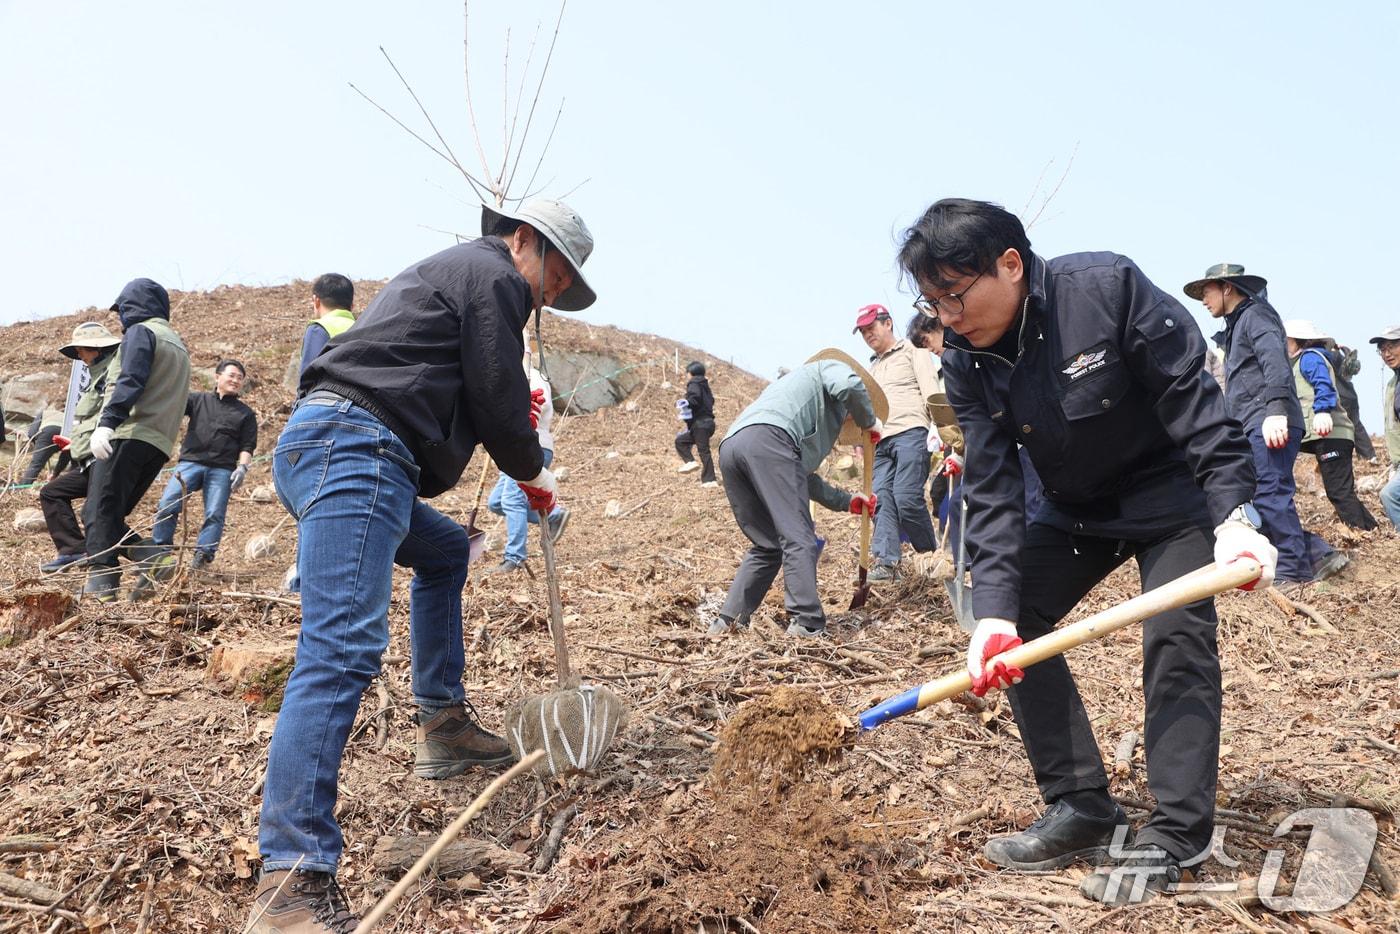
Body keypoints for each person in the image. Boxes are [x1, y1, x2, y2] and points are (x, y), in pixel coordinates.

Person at [898, 199, 1277, 905]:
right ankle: (1080, 805)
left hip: (1174, 503)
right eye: (931, 301)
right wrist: (995, 610)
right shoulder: (968, 367)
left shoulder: (1104, 289)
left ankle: (1175, 833)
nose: (946, 315)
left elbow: (1197, 405)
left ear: (1010, 264)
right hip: (1076, 511)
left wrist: (1234, 514)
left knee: (1176, 637)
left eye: (954, 294)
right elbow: (993, 484)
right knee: (1017, 621)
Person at [247, 199, 594, 933]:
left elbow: (484, 386)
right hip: (359, 444)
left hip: (355, 450)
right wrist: (532, 468)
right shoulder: (493, 273)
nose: (549, 295)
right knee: (340, 649)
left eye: (561, 292)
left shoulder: (464, 278)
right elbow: (497, 399)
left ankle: (441, 723)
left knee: (442, 555)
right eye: (555, 277)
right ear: (523, 241)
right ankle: (290, 882)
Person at [1187, 263, 1346, 585]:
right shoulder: (1235, 325)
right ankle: (1318, 553)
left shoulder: (1256, 316)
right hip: (1251, 420)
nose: (1203, 300)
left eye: (1207, 292)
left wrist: (1275, 410)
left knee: (1271, 494)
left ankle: (1293, 571)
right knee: (1258, 497)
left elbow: (1273, 361)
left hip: (1268, 419)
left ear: (1227, 288)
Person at [711, 350, 884, 639]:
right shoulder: (829, 368)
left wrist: (847, 502)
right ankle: (807, 621)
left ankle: (727, 622)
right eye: (851, 413)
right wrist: (869, 420)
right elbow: (850, 386)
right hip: (769, 442)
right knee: (798, 536)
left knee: (767, 545)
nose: (849, 418)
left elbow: (798, 476)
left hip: (733, 448)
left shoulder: (791, 403)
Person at [82, 279, 191, 602]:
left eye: (123, 310)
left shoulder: (142, 333)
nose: (121, 318)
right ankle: (154, 558)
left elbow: (131, 380)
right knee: (103, 513)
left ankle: (102, 588)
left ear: (134, 306)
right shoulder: (177, 344)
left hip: (129, 433)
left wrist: (107, 423)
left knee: (99, 512)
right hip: (158, 444)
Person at [136, 360, 258, 588]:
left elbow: (247, 445)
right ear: (217, 377)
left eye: (240, 378)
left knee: (214, 513)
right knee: (168, 504)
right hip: (190, 463)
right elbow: (171, 407)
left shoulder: (246, 414)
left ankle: (203, 556)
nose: (235, 380)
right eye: (231, 375)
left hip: (222, 468)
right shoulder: (198, 400)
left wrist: (242, 468)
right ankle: (160, 552)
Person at [854, 304, 940, 580]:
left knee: (906, 496)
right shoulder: (872, 368)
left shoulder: (914, 352)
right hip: (880, 441)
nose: (868, 334)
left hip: (910, 432)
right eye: (863, 331)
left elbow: (930, 389)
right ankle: (887, 563)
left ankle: (931, 556)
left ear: (888, 323)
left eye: (872, 328)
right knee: (881, 500)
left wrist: (938, 425)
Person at [37, 323, 122, 573]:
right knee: (51, 493)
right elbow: (90, 421)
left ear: (95, 349)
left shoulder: (112, 374)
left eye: (81, 352)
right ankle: (73, 549)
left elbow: (109, 413)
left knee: (95, 514)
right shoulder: (95, 375)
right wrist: (76, 444)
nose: (80, 358)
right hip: (88, 457)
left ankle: (148, 553)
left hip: (105, 455)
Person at [484, 339, 570, 574]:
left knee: (513, 501)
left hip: (532, 444)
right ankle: (554, 514)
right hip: (512, 447)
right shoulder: (516, 373)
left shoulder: (531, 375)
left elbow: (534, 407)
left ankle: (515, 557)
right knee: (497, 502)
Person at [1284, 321, 1377, 530]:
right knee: (1342, 492)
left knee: (1339, 492)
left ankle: (1360, 533)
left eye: (1285, 339)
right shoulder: (1296, 362)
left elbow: (1323, 385)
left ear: (1298, 340)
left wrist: (1323, 411)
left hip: (1331, 433)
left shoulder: (1309, 359)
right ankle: (1372, 529)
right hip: (1319, 435)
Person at [299, 273, 356, 373]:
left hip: (330, 387)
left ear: (316, 301)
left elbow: (308, 374)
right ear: (352, 306)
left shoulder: (319, 329)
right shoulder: (364, 326)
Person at [674, 361, 717, 486]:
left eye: (687, 373)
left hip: (701, 425)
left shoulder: (694, 383)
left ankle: (710, 480)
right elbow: (708, 401)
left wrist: (686, 403)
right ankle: (690, 462)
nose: (686, 375)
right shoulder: (705, 386)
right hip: (707, 424)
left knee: (704, 451)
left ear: (691, 373)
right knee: (681, 441)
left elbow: (694, 398)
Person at [1373, 325, 1400, 528]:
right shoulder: (1393, 384)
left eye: (1392, 346)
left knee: (1389, 495)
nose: (1386, 353)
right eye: (1382, 349)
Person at [19, 407, 67, 485]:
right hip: (66, 436)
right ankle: (54, 476)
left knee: (36, 464)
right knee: (65, 458)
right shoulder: (67, 416)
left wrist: (37, 445)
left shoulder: (44, 413)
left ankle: (24, 486)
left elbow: (32, 433)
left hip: (47, 433)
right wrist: (56, 473)